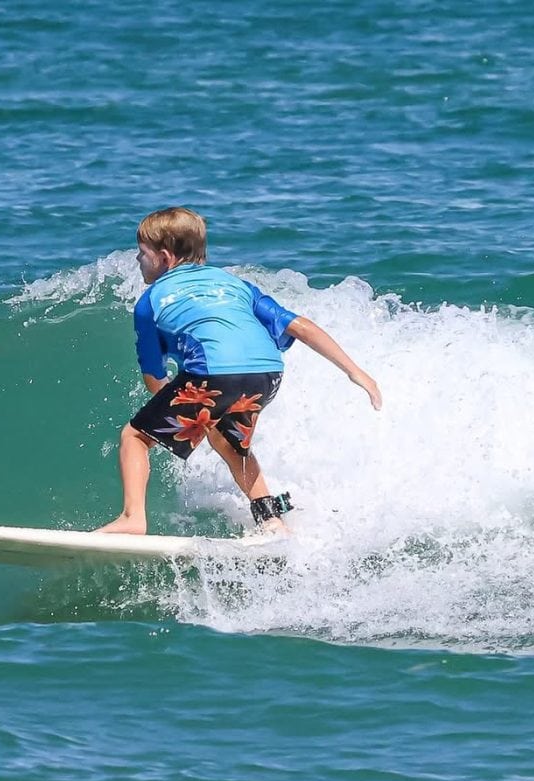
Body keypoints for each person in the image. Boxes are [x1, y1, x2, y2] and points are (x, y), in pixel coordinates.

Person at [95, 207, 382, 535]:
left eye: (142, 253)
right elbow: (300, 326)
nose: (137, 260)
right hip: (268, 374)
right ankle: (271, 520)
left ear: (164, 258)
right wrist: (356, 372)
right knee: (230, 443)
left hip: (211, 374)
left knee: (135, 437)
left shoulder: (150, 302)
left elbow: (153, 379)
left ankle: (132, 518)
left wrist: (181, 409)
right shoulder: (236, 284)